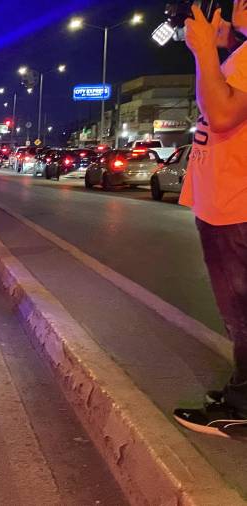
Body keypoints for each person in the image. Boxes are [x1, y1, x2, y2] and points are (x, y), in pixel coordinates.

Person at [171, 2, 247, 437]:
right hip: (225, 203)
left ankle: (242, 407)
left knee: (242, 315)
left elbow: (221, 115)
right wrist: (223, 45)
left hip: (235, 206)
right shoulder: (242, 53)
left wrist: (204, 51)